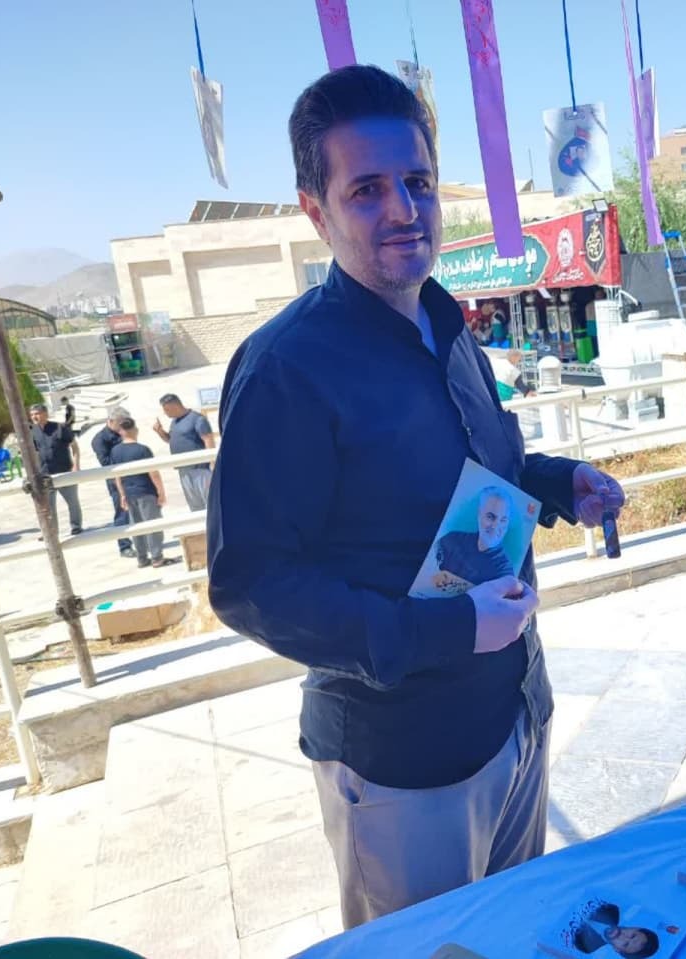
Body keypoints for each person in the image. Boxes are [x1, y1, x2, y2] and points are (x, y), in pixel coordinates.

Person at [206, 64, 625, 929]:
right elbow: (251, 583)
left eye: (418, 182)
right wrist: (449, 629)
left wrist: (557, 482)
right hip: (403, 766)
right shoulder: (287, 368)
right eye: (366, 189)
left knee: (515, 938)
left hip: (515, 709)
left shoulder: (445, 322)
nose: (404, 208)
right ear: (315, 211)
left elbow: (481, 465)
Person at [109, 419, 175, 569]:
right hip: (146, 491)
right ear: (135, 430)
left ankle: (142, 558)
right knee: (153, 525)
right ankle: (157, 557)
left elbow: (116, 475)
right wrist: (161, 492)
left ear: (121, 431)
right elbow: (153, 473)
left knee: (137, 527)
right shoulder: (142, 450)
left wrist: (122, 494)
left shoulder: (115, 451)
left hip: (129, 492)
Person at [432, 487, 514, 593]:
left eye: (503, 520)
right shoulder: (451, 539)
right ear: (479, 514)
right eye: (490, 517)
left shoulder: (504, 571)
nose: (495, 526)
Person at [152, 393, 215, 511]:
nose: (165, 413)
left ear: (175, 406)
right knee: (195, 506)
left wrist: (212, 463)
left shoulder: (197, 419)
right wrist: (160, 431)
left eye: (166, 409)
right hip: (183, 470)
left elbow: (208, 439)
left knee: (210, 503)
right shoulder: (174, 422)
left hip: (200, 469)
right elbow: (170, 440)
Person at [29, 403, 82, 536]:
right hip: (45, 475)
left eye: (37, 413)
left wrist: (76, 465)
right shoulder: (32, 432)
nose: (34, 417)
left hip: (64, 471)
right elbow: (33, 453)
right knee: (48, 507)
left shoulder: (60, 428)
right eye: (32, 414)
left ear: (45, 414)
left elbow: (74, 447)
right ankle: (52, 532)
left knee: (73, 502)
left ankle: (76, 526)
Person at [91, 406, 136, 559]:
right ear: (111, 421)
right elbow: (106, 462)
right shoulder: (100, 439)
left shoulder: (124, 432)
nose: (124, 425)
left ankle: (143, 541)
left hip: (134, 476)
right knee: (122, 513)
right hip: (117, 481)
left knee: (139, 510)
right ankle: (124, 547)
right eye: (121, 422)